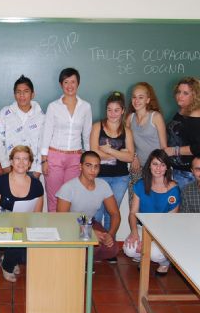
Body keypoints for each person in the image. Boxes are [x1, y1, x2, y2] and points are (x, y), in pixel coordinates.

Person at [0, 145, 44, 282]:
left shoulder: (37, 185)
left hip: (25, 224)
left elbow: (37, 214)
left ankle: (11, 259)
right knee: (16, 234)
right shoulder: (0, 181)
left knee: (27, 240)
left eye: (25, 159)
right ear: (11, 162)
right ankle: (7, 265)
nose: (21, 162)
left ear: (30, 164)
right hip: (2, 222)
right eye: (17, 159)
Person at [41, 67, 92, 211]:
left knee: (70, 198)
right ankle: (53, 232)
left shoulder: (86, 107)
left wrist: (88, 161)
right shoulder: (53, 107)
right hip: (54, 156)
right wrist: (44, 160)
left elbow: (87, 135)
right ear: (61, 84)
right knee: (53, 198)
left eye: (73, 82)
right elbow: (47, 134)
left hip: (75, 158)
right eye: (66, 82)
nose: (70, 86)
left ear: (78, 84)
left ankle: (66, 232)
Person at [56, 151, 120, 262]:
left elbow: (115, 214)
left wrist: (110, 234)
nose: (93, 170)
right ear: (80, 166)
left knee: (112, 249)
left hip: (88, 221)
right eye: (88, 165)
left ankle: (85, 258)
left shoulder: (103, 185)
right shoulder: (68, 187)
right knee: (93, 244)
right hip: (71, 224)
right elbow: (62, 220)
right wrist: (88, 232)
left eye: (96, 166)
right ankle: (82, 259)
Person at [123, 149, 180, 275]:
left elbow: (171, 222)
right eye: (155, 164)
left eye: (162, 164)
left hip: (164, 231)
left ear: (167, 168)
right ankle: (143, 256)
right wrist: (134, 233)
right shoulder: (140, 185)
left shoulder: (173, 189)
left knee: (154, 253)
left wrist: (149, 241)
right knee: (129, 249)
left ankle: (165, 263)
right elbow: (133, 213)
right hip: (144, 228)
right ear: (149, 165)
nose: (158, 168)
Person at [90, 91, 134, 231]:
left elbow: (130, 157)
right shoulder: (97, 126)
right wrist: (120, 153)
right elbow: (93, 153)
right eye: (109, 110)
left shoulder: (127, 131)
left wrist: (108, 150)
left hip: (120, 178)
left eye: (116, 110)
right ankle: (95, 249)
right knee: (96, 212)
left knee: (112, 214)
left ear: (123, 111)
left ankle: (109, 248)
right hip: (99, 177)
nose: (112, 113)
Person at [164, 77, 200, 190]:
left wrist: (174, 151)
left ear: (194, 96)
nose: (180, 96)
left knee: (188, 207)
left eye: (185, 93)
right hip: (178, 170)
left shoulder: (197, 115)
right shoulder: (182, 111)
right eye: (179, 92)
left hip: (188, 174)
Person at [0, 75, 45, 178]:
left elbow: (43, 144)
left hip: (32, 170)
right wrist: (5, 164)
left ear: (32, 94)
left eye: (26, 91)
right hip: (10, 168)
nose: (22, 95)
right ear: (14, 94)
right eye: (18, 92)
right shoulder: (5, 113)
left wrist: (38, 170)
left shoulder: (41, 117)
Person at [126, 82, 167, 201]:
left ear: (148, 100)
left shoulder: (155, 117)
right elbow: (127, 143)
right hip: (137, 167)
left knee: (154, 204)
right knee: (135, 203)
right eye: (134, 97)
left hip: (156, 169)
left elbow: (163, 147)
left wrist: (159, 168)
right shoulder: (130, 118)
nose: (136, 100)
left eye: (141, 97)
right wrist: (134, 157)